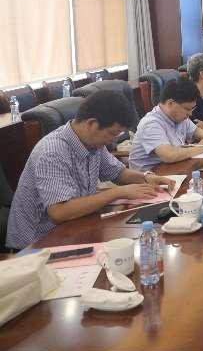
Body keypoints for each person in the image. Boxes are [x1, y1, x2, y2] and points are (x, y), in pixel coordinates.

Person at [6, 91, 177, 249]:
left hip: (75, 226)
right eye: (112, 133)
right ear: (92, 124)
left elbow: (118, 173)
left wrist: (146, 177)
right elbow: (59, 212)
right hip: (38, 244)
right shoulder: (52, 152)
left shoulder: (93, 143)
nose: (113, 141)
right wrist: (118, 192)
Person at [129, 78, 203, 172]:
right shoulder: (151, 123)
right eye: (187, 109)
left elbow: (196, 131)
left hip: (173, 170)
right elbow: (169, 155)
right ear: (170, 103)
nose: (190, 114)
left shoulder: (178, 117)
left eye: (192, 109)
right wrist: (201, 147)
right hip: (150, 176)